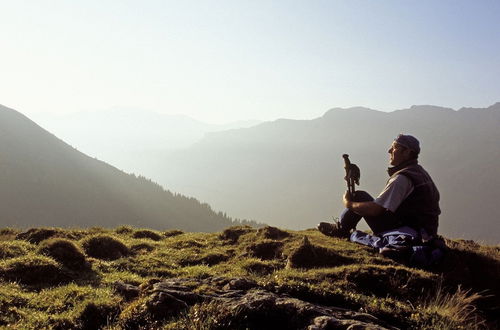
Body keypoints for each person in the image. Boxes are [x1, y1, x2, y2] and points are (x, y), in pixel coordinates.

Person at [318, 134, 441, 242]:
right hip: (423, 230)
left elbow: (375, 210)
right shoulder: (419, 172)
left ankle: (340, 230)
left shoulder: (402, 179)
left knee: (359, 197)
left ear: (407, 152)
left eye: (394, 147)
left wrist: (348, 203)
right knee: (362, 197)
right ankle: (341, 227)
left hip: (407, 232)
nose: (389, 151)